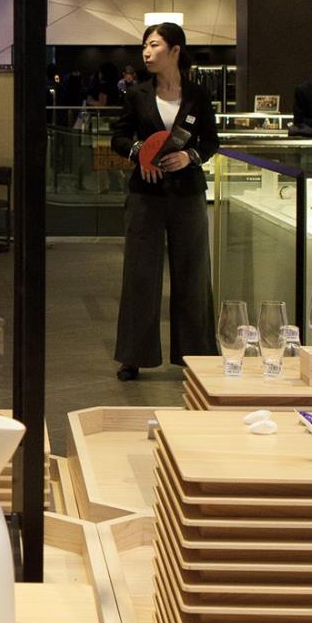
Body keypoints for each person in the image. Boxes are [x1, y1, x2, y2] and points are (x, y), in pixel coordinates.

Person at [111, 21, 219, 381]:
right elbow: (118, 137)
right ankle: (133, 355)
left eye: (154, 45)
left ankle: (198, 355)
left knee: (193, 274)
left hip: (188, 195)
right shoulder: (137, 94)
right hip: (146, 195)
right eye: (144, 45)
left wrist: (190, 157)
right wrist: (140, 153)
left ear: (175, 50)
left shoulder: (198, 95)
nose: (146, 52)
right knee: (140, 274)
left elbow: (211, 141)